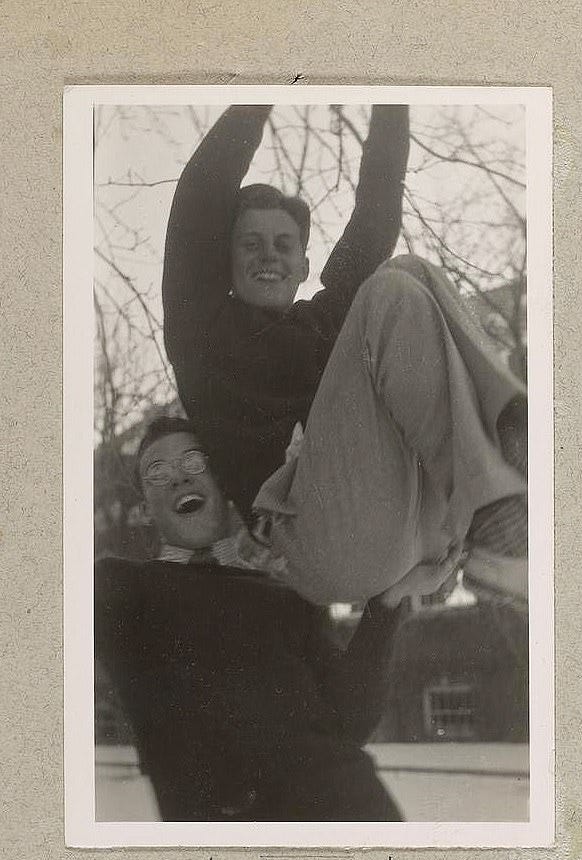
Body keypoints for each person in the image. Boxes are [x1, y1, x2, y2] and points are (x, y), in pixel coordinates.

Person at [163, 104, 527, 606]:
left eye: (282, 245)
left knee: (407, 271)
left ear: (303, 264)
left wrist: (391, 94)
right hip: (308, 541)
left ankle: (502, 485)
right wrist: (270, 73)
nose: (269, 255)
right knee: (388, 295)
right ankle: (493, 494)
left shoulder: (329, 321)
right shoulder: (201, 331)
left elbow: (377, 216)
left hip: (404, 533)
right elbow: (202, 189)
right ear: (224, 261)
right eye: (251, 244)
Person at [95, 417, 408, 822]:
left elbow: (349, 720)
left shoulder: (291, 594)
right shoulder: (124, 591)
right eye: (158, 472)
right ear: (144, 510)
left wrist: (388, 600)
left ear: (224, 482)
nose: (178, 479)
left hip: (359, 821)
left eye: (194, 462)